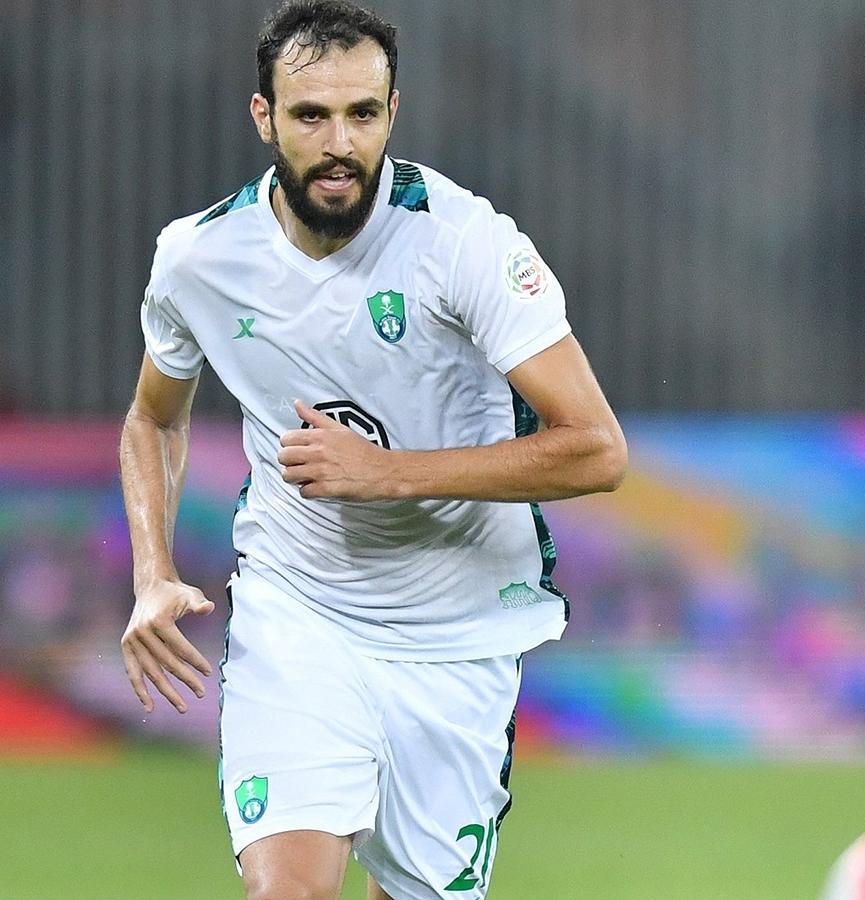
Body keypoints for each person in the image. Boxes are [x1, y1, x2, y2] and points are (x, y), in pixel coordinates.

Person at [117, 2, 625, 898]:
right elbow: (153, 419)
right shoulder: (199, 259)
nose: (339, 143)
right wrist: (152, 572)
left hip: (457, 635)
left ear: (393, 111)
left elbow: (596, 448)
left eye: (362, 113)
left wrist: (390, 475)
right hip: (300, 612)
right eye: (311, 116)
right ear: (264, 116)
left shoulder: (463, 243)